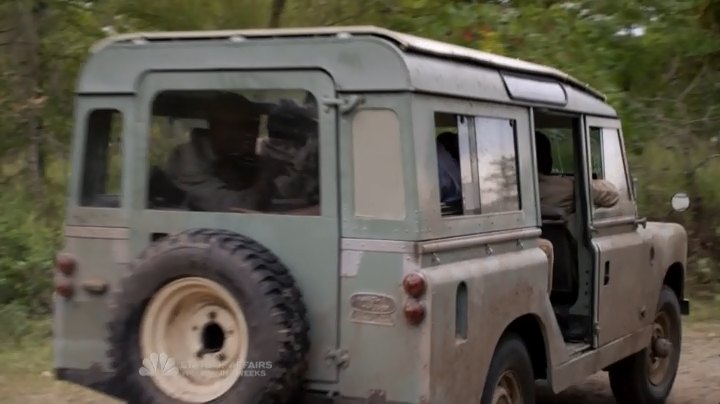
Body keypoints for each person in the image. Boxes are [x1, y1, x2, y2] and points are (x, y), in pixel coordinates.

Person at [165, 92, 282, 212]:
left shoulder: (238, 157)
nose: (249, 134)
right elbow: (236, 209)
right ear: (214, 127)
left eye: (252, 125)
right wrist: (265, 177)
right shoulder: (187, 159)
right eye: (237, 126)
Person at [535, 131, 619, 216]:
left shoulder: (528, 190)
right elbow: (612, 193)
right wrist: (576, 183)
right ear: (547, 160)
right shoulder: (565, 188)